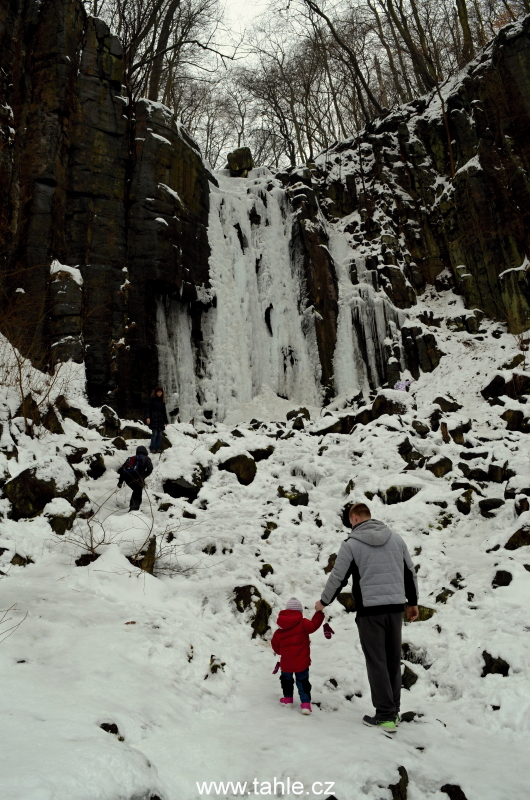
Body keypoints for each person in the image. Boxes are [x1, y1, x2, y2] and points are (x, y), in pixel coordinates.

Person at [315, 503, 418, 734]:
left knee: (377, 662)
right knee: (392, 660)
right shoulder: (396, 539)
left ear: (354, 518)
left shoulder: (352, 544)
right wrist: (412, 603)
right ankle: (394, 710)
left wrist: (323, 602)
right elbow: (409, 572)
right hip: (394, 609)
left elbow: (338, 577)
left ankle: (384, 716)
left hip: (370, 612)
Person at [271, 597, 324, 715]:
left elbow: (275, 644)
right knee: (303, 681)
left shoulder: (280, 628)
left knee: (286, 680)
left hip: (286, 663)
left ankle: (288, 699)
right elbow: (313, 626)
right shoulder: (303, 623)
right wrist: (319, 613)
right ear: (300, 612)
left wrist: (281, 652)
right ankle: (305, 704)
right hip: (302, 662)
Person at [117, 445, 153, 512]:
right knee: (137, 492)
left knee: (136, 491)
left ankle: (132, 509)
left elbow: (122, 470)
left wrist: (120, 482)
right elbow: (150, 469)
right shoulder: (146, 458)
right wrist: (143, 476)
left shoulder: (130, 458)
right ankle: (134, 510)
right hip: (137, 478)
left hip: (127, 478)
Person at [146, 386, 168, 454]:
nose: (159, 393)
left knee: (160, 435)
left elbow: (164, 411)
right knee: (154, 434)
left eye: (161, 392)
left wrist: (166, 421)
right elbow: (148, 409)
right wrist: (148, 417)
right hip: (154, 419)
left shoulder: (162, 401)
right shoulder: (152, 399)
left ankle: (158, 448)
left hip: (160, 420)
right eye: (158, 392)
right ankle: (153, 448)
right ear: (156, 392)